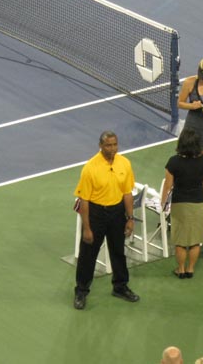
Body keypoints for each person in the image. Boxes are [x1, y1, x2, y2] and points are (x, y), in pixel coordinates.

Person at [73, 131, 139, 310]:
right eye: (108, 145)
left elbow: (127, 193)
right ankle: (81, 290)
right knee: (88, 255)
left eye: (115, 144)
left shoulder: (124, 163)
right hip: (96, 214)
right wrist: (87, 228)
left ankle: (120, 286)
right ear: (101, 146)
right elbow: (84, 200)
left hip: (117, 213)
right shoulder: (90, 168)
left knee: (118, 251)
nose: (112, 149)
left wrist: (130, 218)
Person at [161, 128, 203, 279]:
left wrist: (163, 202)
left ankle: (181, 269)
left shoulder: (174, 162)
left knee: (181, 241)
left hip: (180, 204)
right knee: (195, 240)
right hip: (198, 203)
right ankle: (190, 269)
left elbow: (168, 186)